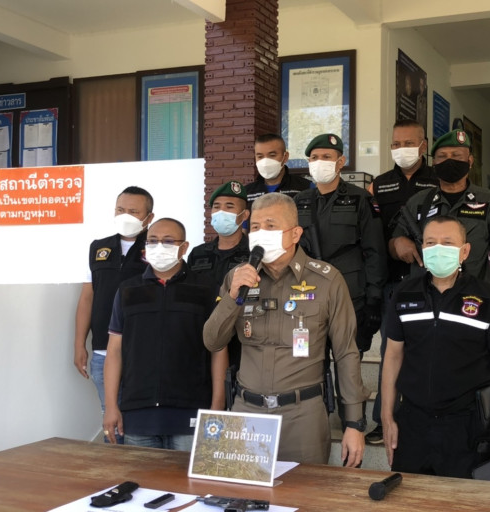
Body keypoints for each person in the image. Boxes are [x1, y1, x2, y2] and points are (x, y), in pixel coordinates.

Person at [203, 193, 369, 466]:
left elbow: (345, 353)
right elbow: (212, 340)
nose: (261, 233)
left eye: (270, 226)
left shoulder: (327, 280)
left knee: (305, 492)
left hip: (302, 417)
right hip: (248, 412)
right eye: (255, 227)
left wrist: (354, 423)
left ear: (295, 234)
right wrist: (232, 296)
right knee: (244, 492)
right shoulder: (238, 277)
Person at [381, 216, 490, 479]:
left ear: (464, 251)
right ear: (422, 248)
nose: (438, 249)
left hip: (467, 428)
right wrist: (387, 416)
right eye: (431, 243)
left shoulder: (489, 298)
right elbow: (392, 358)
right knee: (410, 497)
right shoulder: (404, 293)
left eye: (447, 243)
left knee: (462, 499)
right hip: (412, 424)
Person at [103, 218, 228, 451]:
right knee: (140, 475)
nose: (159, 246)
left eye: (168, 241)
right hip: (138, 414)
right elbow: (114, 351)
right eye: (152, 241)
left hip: (191, 412)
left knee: (189, 476)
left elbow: (218, 349)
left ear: (184, 247)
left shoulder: (206, 289)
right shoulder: (128, 290)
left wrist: (217, 406)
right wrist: (111, 406)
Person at [294, 132, 387, 430]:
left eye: (326, 157)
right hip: (308, 295)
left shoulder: (361, 199)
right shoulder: (299, 201)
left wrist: (374, 296)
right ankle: (317, 419)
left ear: (341, 161)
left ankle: (353, 420)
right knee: (311, 360)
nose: (319, 162)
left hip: (351, 294)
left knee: (349, 359)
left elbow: (374, 250)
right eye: (314, 158)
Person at [365, 119, 438, 444]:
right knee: (390, 352)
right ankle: (386, 419)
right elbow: (371, 234)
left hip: (431, 281)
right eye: (396, 144)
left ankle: (425, 416)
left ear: (423, 145)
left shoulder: (437, 180)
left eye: (408, 143)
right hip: (392, 282)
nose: (401, 149)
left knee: (431, 350)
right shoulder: (379, 186)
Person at [391, 129, 490, 309]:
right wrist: (398, 243)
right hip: (425, 301)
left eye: (456, 156)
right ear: (434, 163)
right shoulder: (418, 202)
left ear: (470, 161)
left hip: (473, 303)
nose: (449, 161)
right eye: (442, 156)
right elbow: (393, 244)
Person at [73, 186, 154, 442]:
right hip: (102, 351)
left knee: (140, 422)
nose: (125, 215)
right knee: (111, 418)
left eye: (133, 211)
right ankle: (116, 465)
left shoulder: (157, 247)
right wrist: (79, 344)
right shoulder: (98, 248)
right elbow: (87, 298)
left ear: (148, 217)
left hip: (142, 350)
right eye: (120, 210)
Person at [188, 181, 251, 368]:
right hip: (202, 336)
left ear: (244, 215)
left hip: (241, 340)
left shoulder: (253, 254)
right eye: (216, 207)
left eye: (229, 207)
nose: (221, 212)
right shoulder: (198, 253)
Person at [246, 133, 313, 209]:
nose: (265, 162)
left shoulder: (306, 187)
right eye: (260, 156)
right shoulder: (247, 193)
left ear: (285, 157)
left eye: (272, 155)